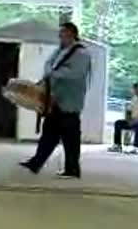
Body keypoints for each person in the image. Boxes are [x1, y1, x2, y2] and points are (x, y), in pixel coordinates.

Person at [19, 22, 92, 179]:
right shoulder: (60, 51)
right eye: (60, 34)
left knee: (70, 137)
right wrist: (50, 73)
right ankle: (36, 162)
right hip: (54, 99)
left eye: (63, 34)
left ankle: (72, 169)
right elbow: (48, 65)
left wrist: (54, 73)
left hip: (70, 101)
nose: (60, 37)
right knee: (49, 133)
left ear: (72, 34)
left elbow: (76, 74)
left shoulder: (81, 53)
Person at [108, 83, 138, 153]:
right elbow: (128, 111)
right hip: (133, 121)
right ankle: (117, 145)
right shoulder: (134, 99)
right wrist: (129, 120)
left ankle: (137, 147)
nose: (137, 92)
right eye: (135, 90)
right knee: (118, 123)